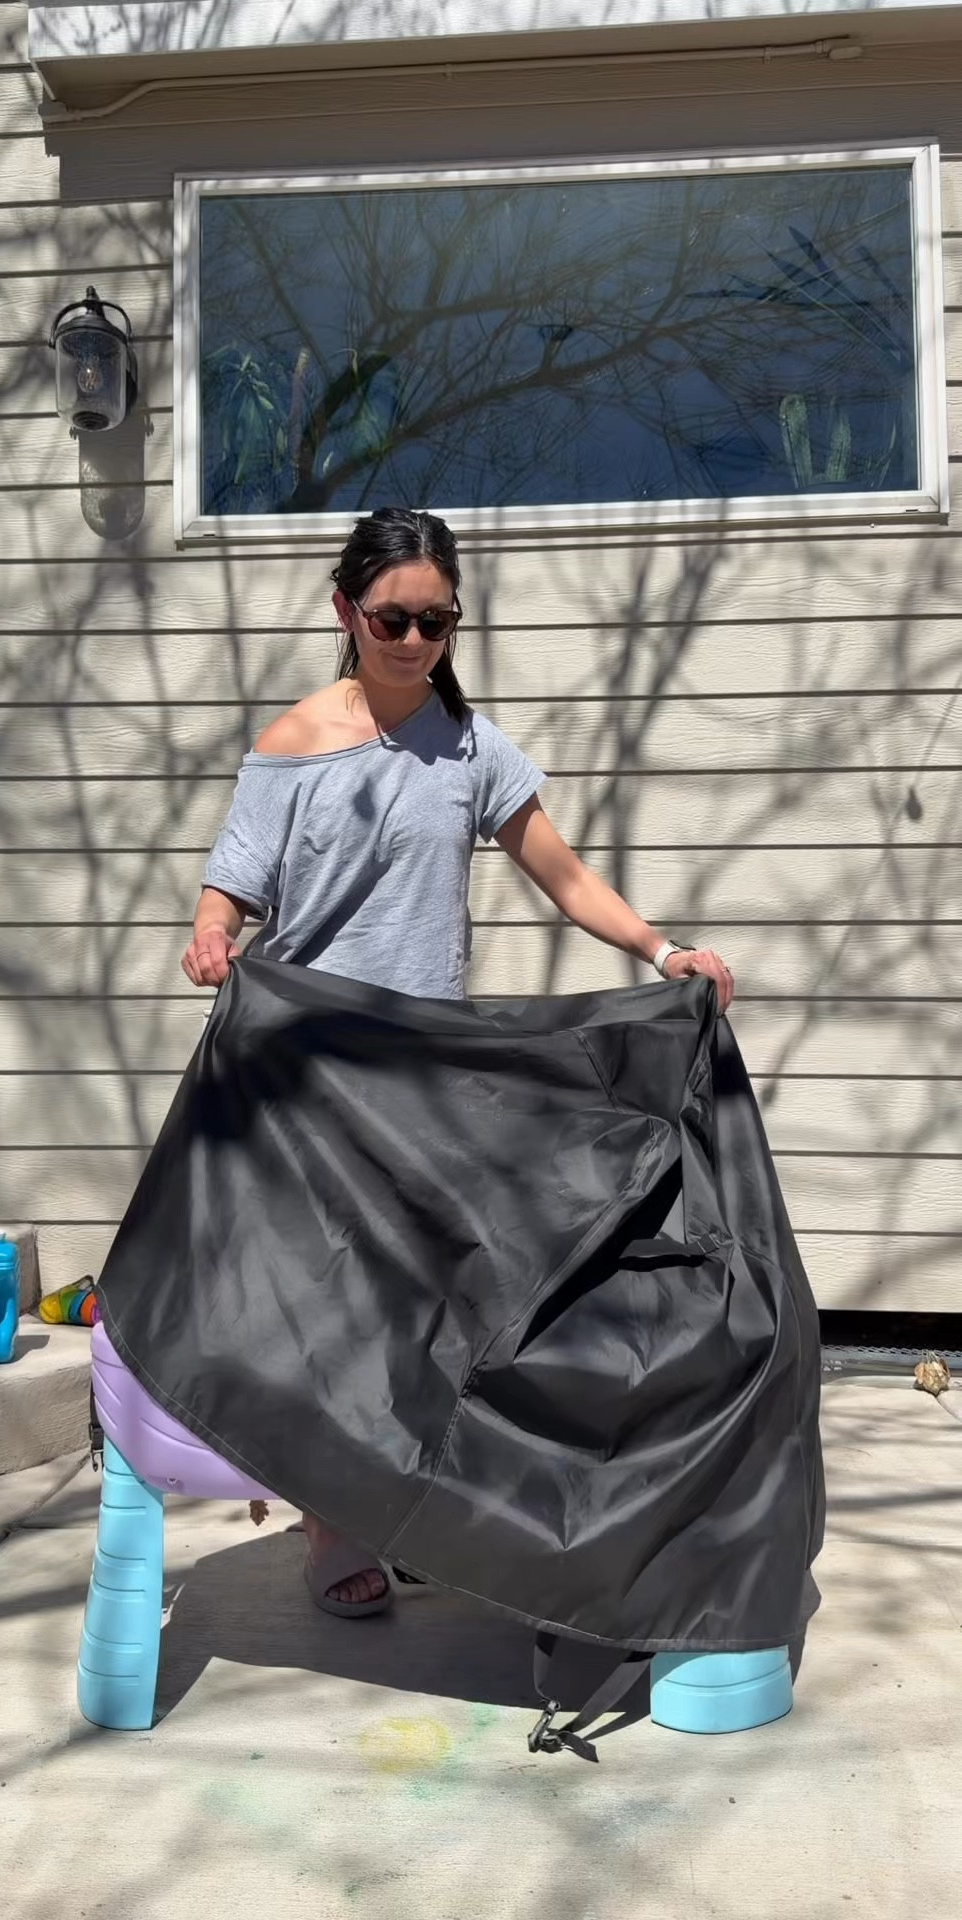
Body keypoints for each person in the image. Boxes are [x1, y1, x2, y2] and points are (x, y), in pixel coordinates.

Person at [180, 506, 734, 1618]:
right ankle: (330, 1522)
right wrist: (209, 931)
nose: (415, 640)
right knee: (332, 1303)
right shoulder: (291, 747)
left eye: (436, 621)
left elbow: (568, 881)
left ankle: (394, 1499)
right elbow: (231, 883)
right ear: (347, 611)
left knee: (428, 1300)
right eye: (393, 618)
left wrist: (664, 947)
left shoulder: (472, 749)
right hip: (309, 1070)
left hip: (428, 1075)